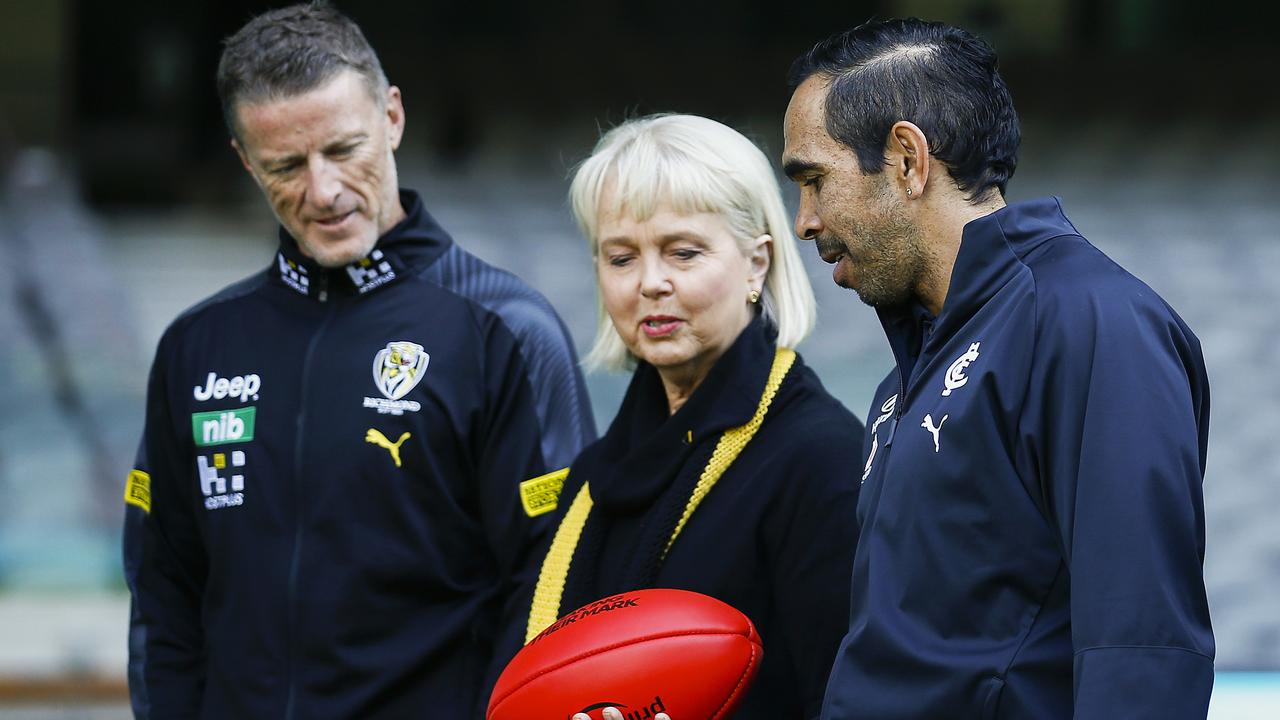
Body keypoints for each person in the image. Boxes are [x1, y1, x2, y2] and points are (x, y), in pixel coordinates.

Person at [121, 4, 595, 718]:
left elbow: (552, 587)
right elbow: (164, 590)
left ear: (393, 118)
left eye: (344, 150)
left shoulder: (508, 330)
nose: (324, 191)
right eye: (285, 165)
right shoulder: (198, 346)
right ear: (246, 160)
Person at [779, 18, 1214, 719]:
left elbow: (1142, 648)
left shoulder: (1090, 323)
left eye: (814, 180)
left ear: (907, 160)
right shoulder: (904, 383)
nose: (803, 220)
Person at [490, 114, 865, 720]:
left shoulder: (820, 460)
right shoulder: (588, 478)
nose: (650, 283)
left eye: (683, 252)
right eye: (621, 258)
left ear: (756, 263)